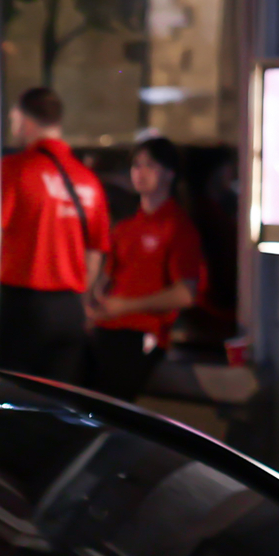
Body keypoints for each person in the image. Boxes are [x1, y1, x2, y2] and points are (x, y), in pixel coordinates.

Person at [0, 87, 107, 381]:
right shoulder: (88, 181)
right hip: (69, 312)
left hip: (24, 311)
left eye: (14, 119)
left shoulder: (14, 170)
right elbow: (94, 254)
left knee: (5, 397)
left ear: (25, 120)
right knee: (59, 408)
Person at [87, 136, 209, 400]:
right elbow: (107, 278)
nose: (139, 172)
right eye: (136, 165)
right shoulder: (125, 228)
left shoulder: (177, 227)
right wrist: (95, 301)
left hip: (140, 334)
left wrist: (125, 306)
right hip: (107, 327)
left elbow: (185, 293)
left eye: (149, 165)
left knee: (109, 401)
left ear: (169, 173)